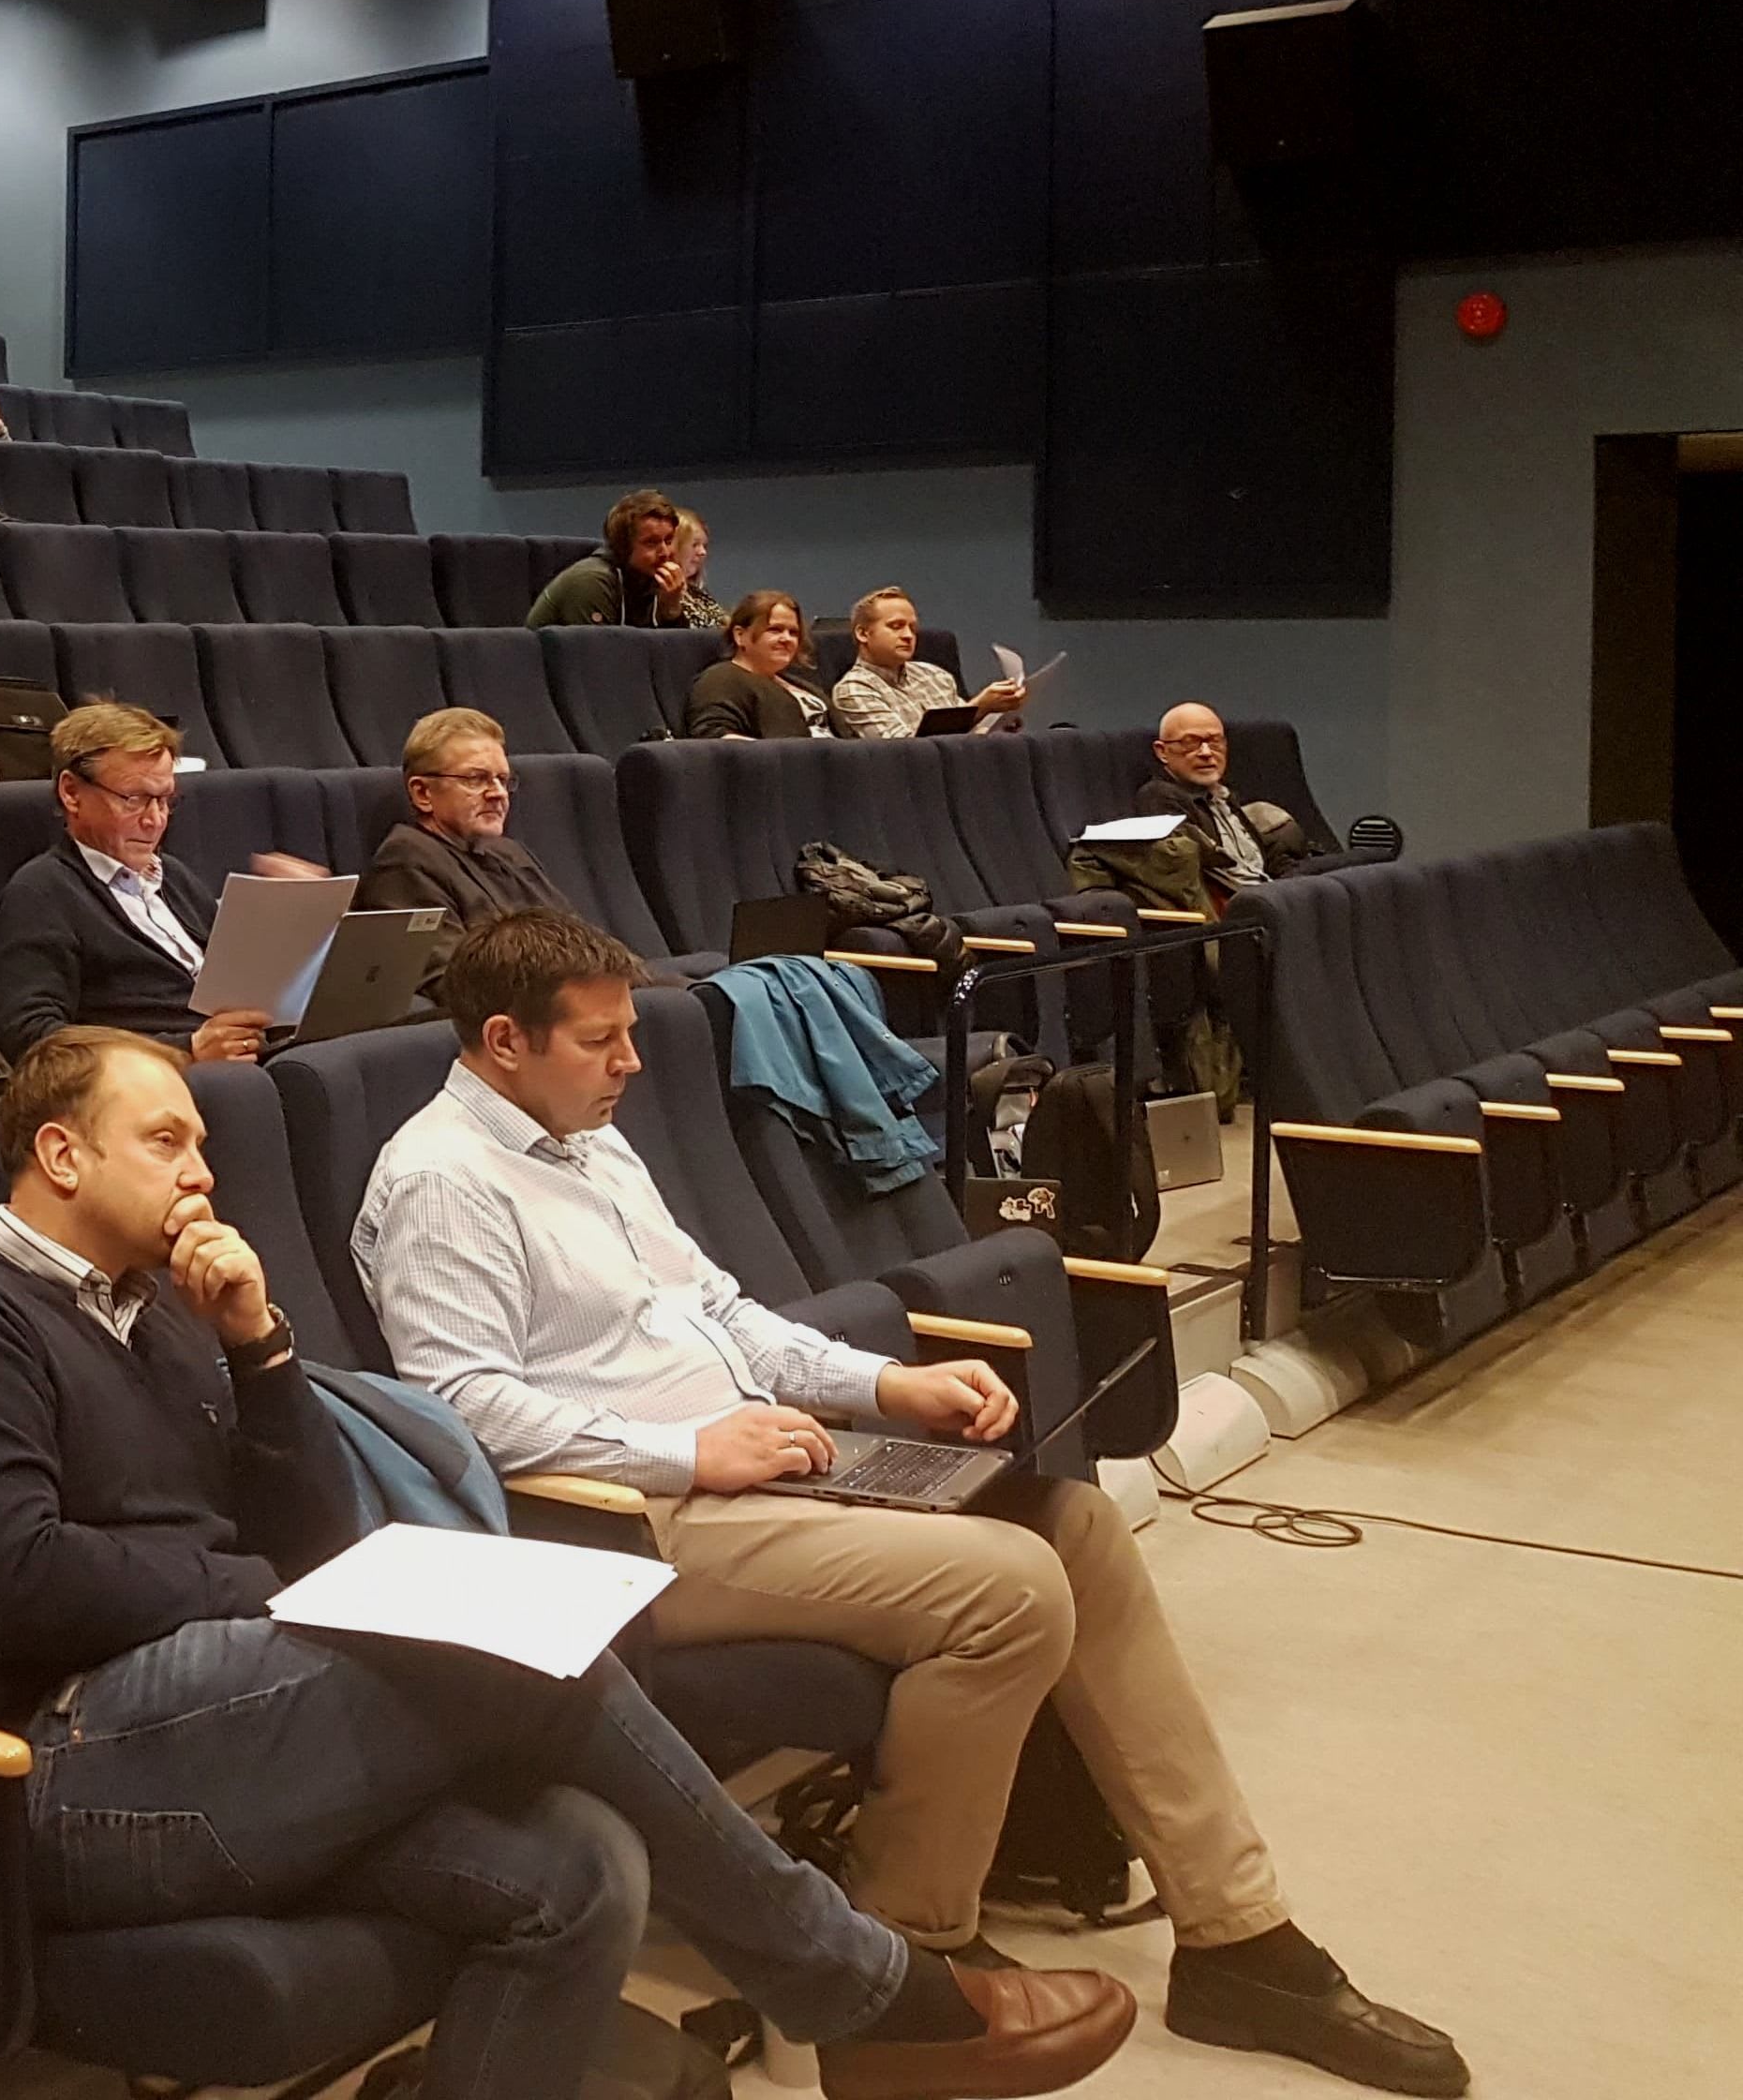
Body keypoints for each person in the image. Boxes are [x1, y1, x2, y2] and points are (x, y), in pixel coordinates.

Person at [0, 1028, 1136, 2100]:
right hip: (54, 1774)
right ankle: (861, 1989)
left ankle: (853, 1997)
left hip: (226, 1718)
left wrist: (257, 1346)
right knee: (523, 1657)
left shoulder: (164, 1316)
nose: (203, 1171)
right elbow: (24, 1583)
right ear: (60, 1154)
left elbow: (310, 1540)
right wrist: (263, 1592)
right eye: (167, 1140)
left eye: (203, 1143)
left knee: (582, 1868)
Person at [354, 910, 1466, 2097]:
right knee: (1011, 1587)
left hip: (756, 1463)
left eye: (630, 1032)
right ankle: (896, 1969)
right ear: (505, 1040)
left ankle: (1238, 1934)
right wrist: (690, 1449)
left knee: (1076, 1528)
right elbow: (460, 1406)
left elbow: (724, 1315)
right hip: (621, 1520)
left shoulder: (589, 1140)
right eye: (601, 1039)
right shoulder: (440, 1180)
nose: (632, 1060)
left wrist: (885, 1383)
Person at [0, 702, 271, 1065]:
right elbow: (31, 1038)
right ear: (72, 793)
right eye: (134, 799)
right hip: (161, 1080)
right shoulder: (41, 893)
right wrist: (186, 1050)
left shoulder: (174, 876)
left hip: (242, 1058)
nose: (155, 820)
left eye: (165, 800)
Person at [355, 708, 583, 1002]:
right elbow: (458, 983)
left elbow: (580, 940)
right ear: (422, 793)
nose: (498, 793)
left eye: (503, 779)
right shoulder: (405, 863)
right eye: (476, 779)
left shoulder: (509, 851)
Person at [1143, 702, 1314, 890]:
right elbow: (1202, 874)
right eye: (1190, 743)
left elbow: (1264, 864)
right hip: (1238, 899)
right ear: (1162, 752)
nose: (1206, 753)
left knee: (1336, 870)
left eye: (1215, 741)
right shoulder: (1159, 797)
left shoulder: (1221, 795)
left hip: (1267, 889)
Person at [827, 588, 1025, 740]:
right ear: (863, 634)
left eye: (913, 628)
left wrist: (996, 726)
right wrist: (981, 706)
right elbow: (904, 750)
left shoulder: (935, 675)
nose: (908, 635)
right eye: (896, 626)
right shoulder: (853, 689)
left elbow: (968, 732)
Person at [524, 488, 696, 628]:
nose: (665, 552)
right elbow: (598, 656)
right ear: (623, 546)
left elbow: (676, 654)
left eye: (668, 540)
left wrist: (671, 610)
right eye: (651, 543)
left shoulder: (653, 582)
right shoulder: (591, 581)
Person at [685, 588, 834, 739]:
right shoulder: (720, 680)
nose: (787, 639)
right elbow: (714, 736)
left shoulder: (800, 683)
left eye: (793, 632)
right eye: (775, 630)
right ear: (740, 635)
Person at [667, 507, 731, 635]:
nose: (703, 552)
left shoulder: (699, 594)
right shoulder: (659, 597)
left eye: (704, 546)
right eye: (695, 545)